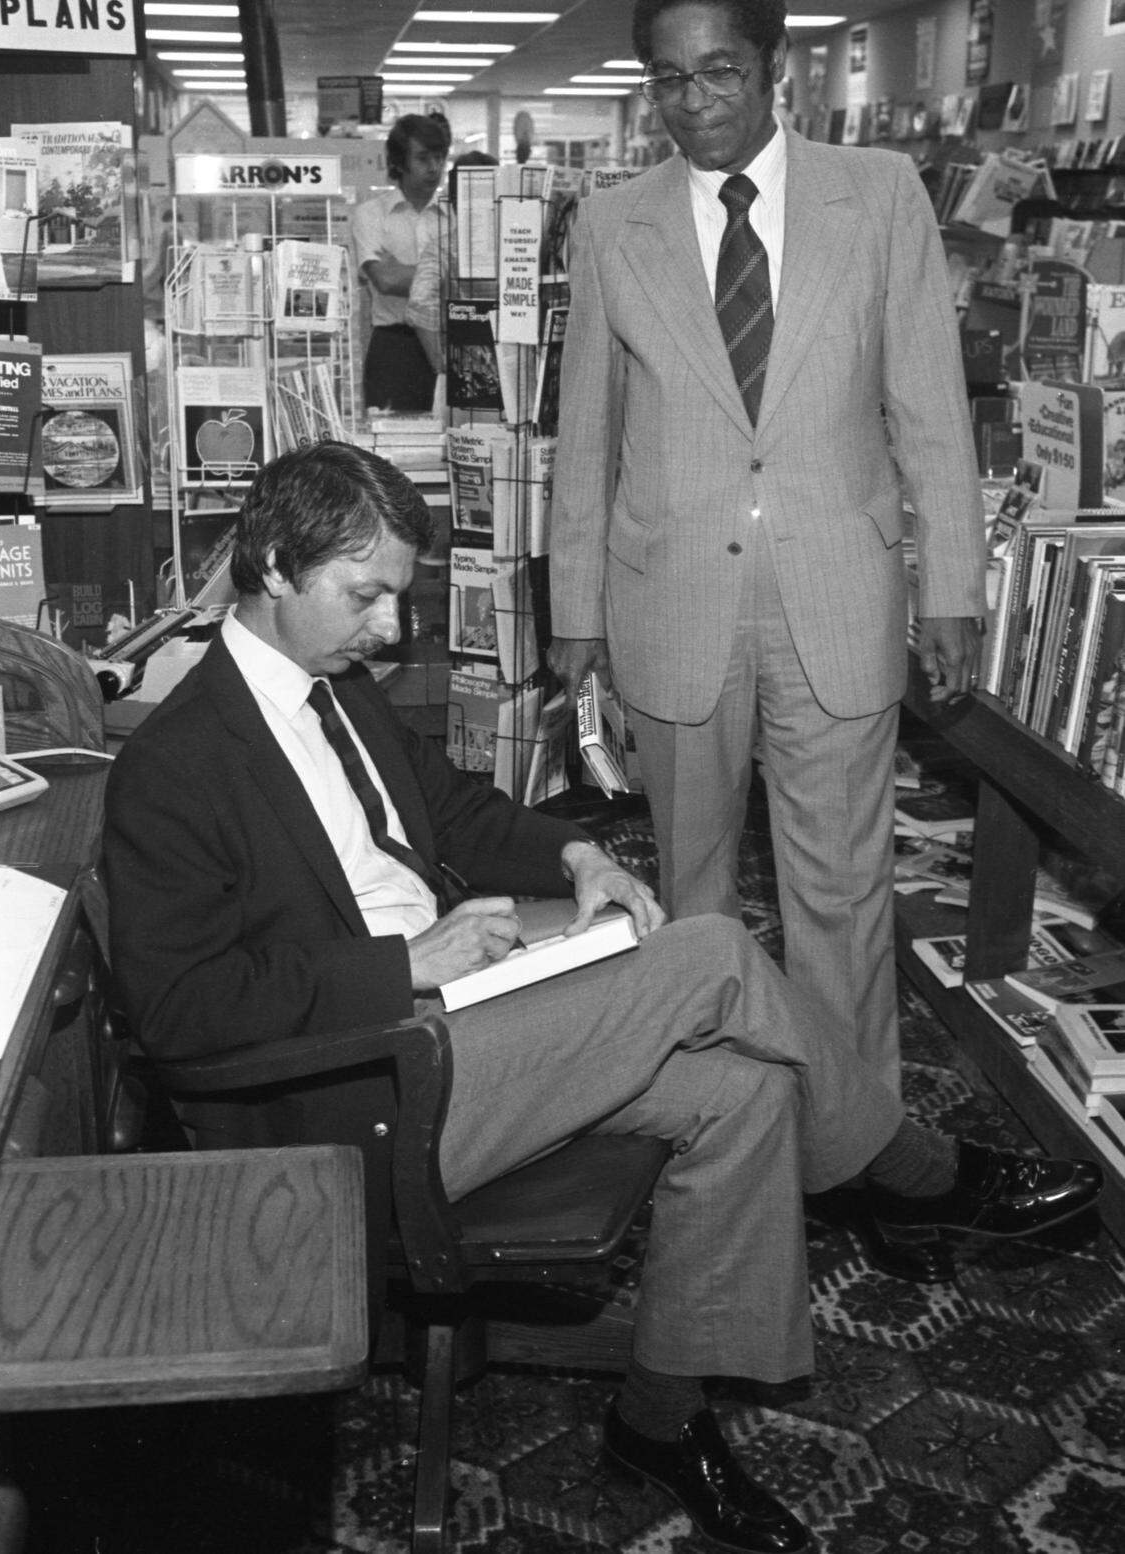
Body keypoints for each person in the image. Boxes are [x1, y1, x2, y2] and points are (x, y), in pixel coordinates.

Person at [104, 444, 1098, 1554]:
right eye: (366, 594)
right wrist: (409, 964)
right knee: (712, 951)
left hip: (453, 1019)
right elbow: (181, 1009)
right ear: (274, 568)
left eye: (399, 598)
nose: (389, 627)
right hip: (364, 1087)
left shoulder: (336, 689)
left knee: (746, 1094)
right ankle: (917, 1173)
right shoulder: (176, 760)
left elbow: (454, 810)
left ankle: (660, 1415)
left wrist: (578, 855)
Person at [548, 0, 988, 1106]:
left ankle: (853, 1136)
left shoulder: (880, 195)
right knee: (692, 892)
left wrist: (952, 585)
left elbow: (931, 408)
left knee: (841, 894)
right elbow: (585, 434)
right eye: (669, 78)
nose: (694, 101)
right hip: (670, 598)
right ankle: (718, 1120)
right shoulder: (611, 223)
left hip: (836, 594)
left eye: (721, 71)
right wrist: (575, 612)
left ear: (776, 64)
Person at [351, 113, 450, 412]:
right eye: (423, 158)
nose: (434, 167)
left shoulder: (455, 216)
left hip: (447, 343)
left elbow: (469, 283)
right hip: (394, 348)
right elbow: (385, 280)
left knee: (453, 430)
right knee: (389, 434)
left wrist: (403, 272)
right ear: (398, 162)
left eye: (439, 157)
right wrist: (444, 275)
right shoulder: (371, 215)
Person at [405, 148, 499, 378]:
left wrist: (444, 367)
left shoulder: (443, 247)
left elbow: (420, 304)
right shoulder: (520, 246)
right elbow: (420, 304)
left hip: (465, 371)